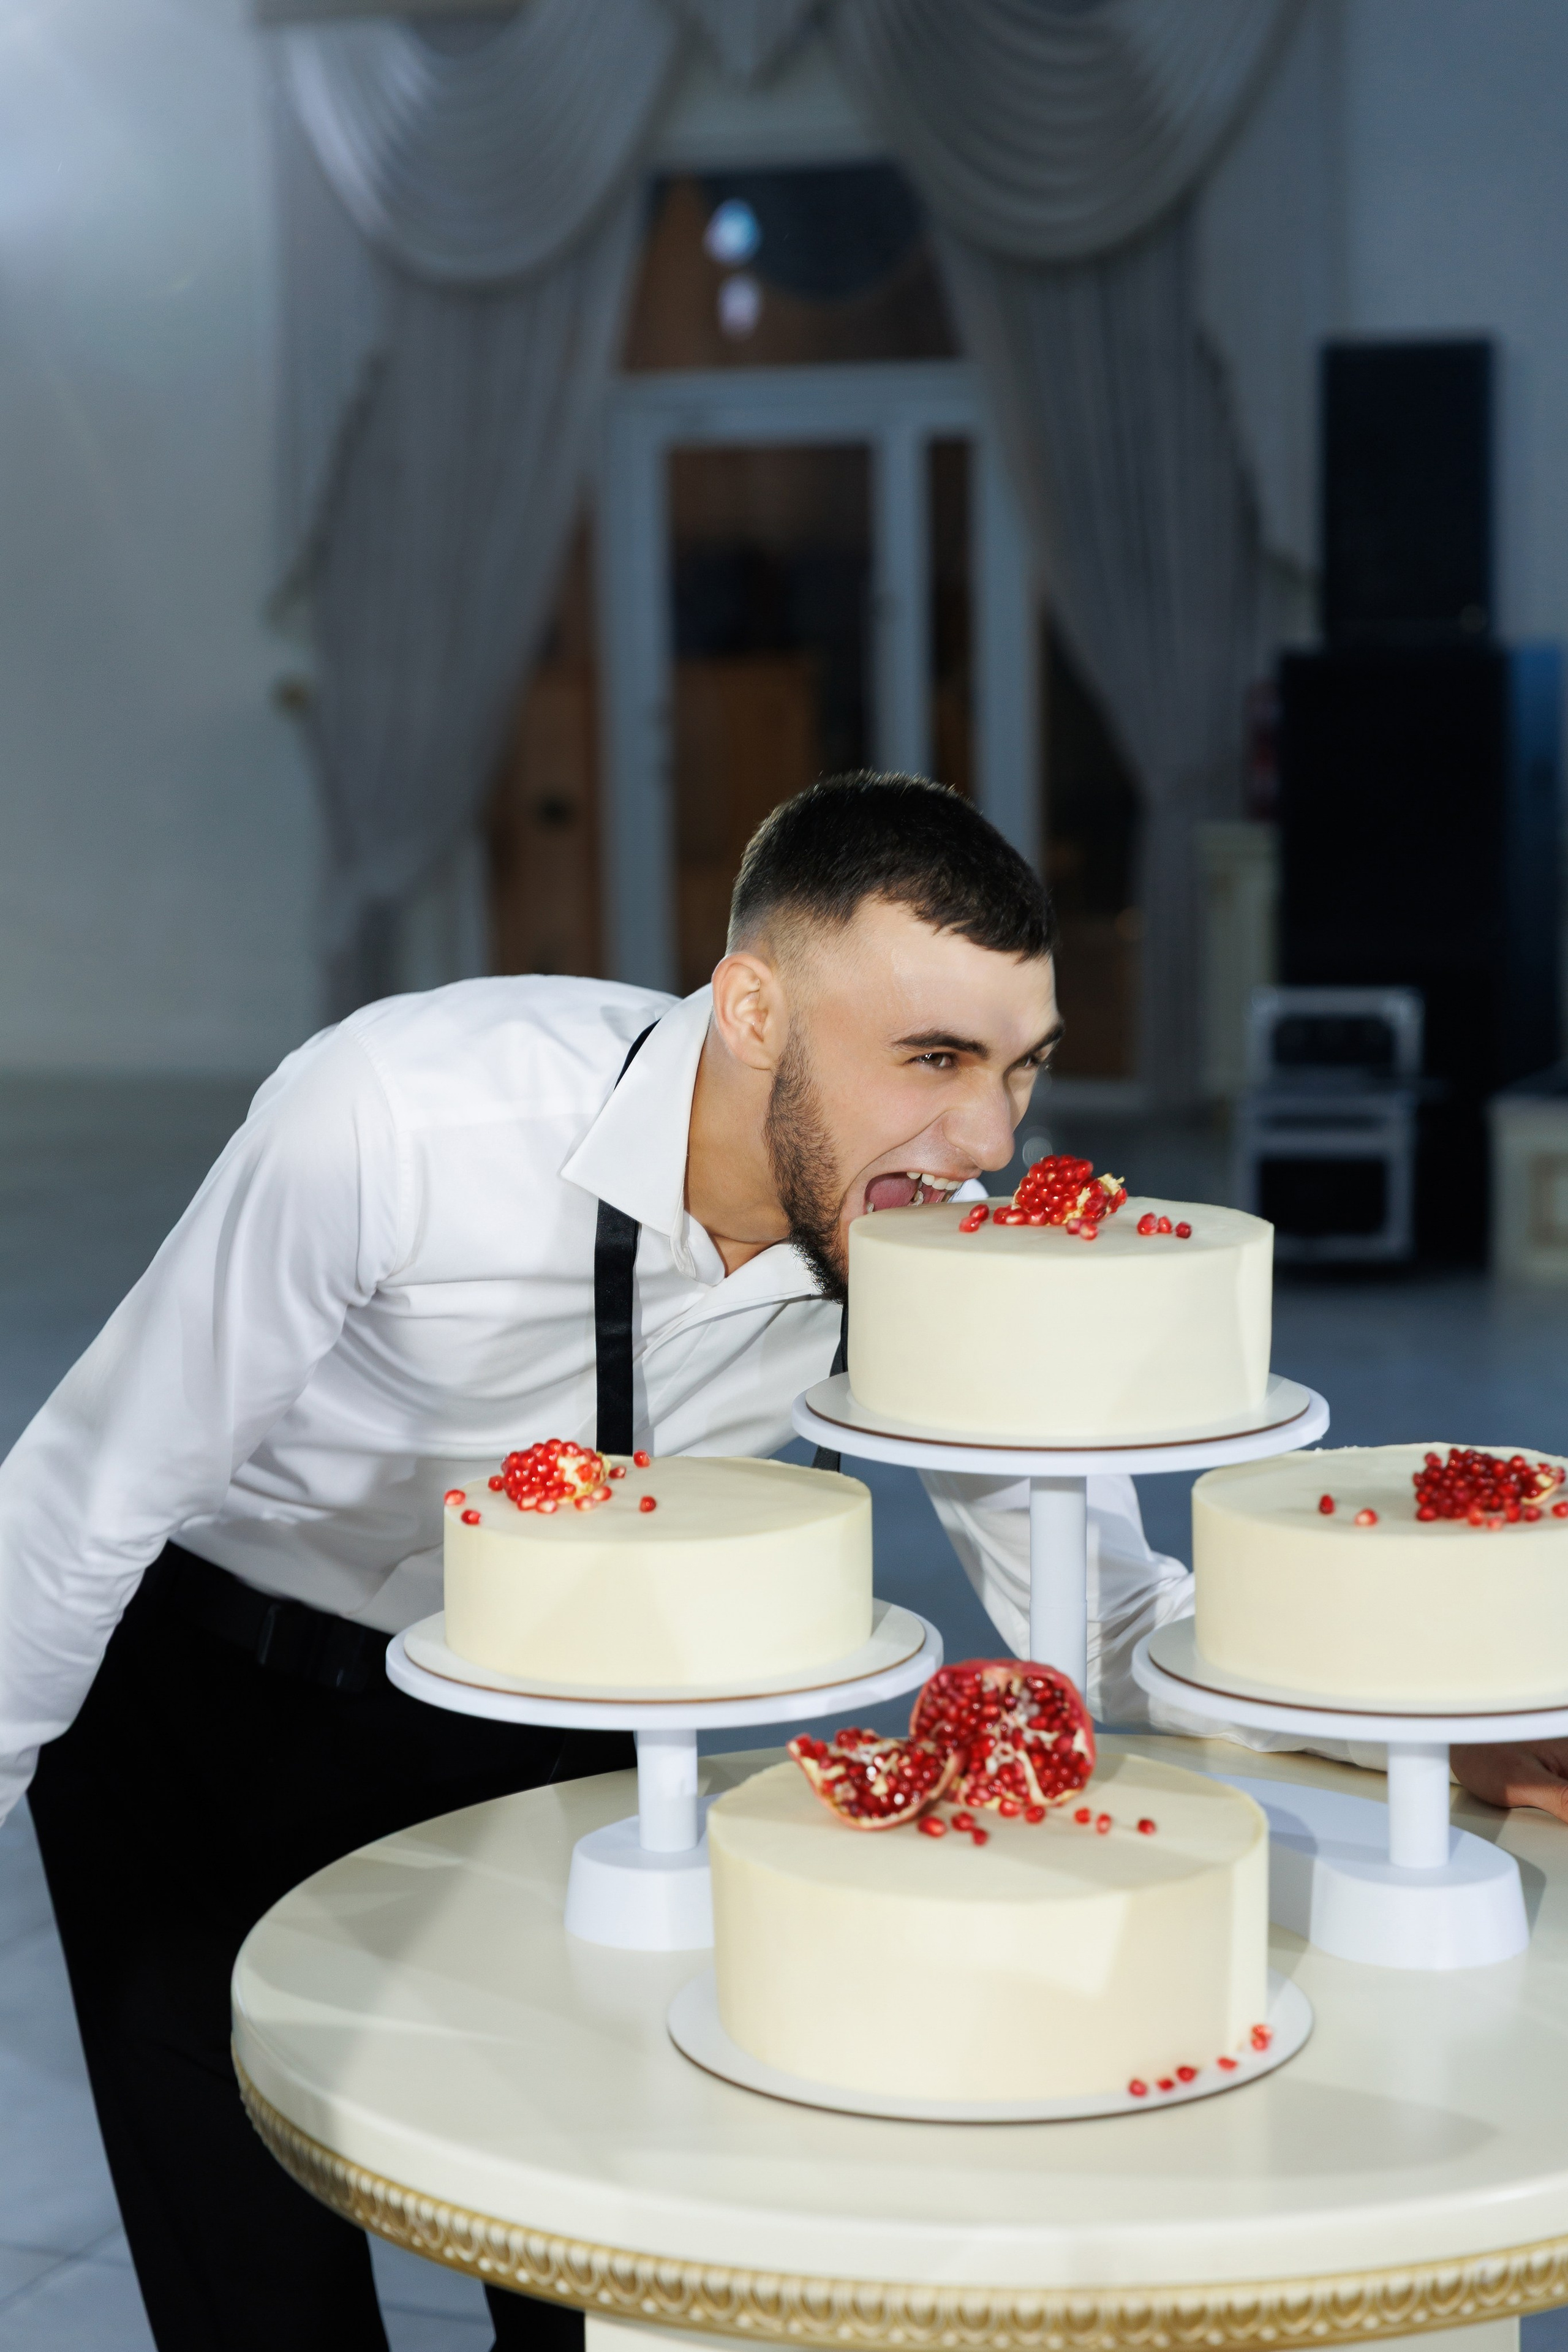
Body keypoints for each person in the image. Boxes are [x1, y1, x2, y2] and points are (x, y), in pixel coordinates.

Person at [0, 775, 1558, 2351]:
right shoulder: (403, 1115)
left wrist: (1417, 1723)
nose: (987, 1139)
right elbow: (85, 1499)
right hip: (211, 1705)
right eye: (932, 1061)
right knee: (255, 2291)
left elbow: (1090, 1608)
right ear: (752, 1008)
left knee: (583, 2267)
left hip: (573, 1738)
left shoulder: (926, 1239)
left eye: (1018, 1068)